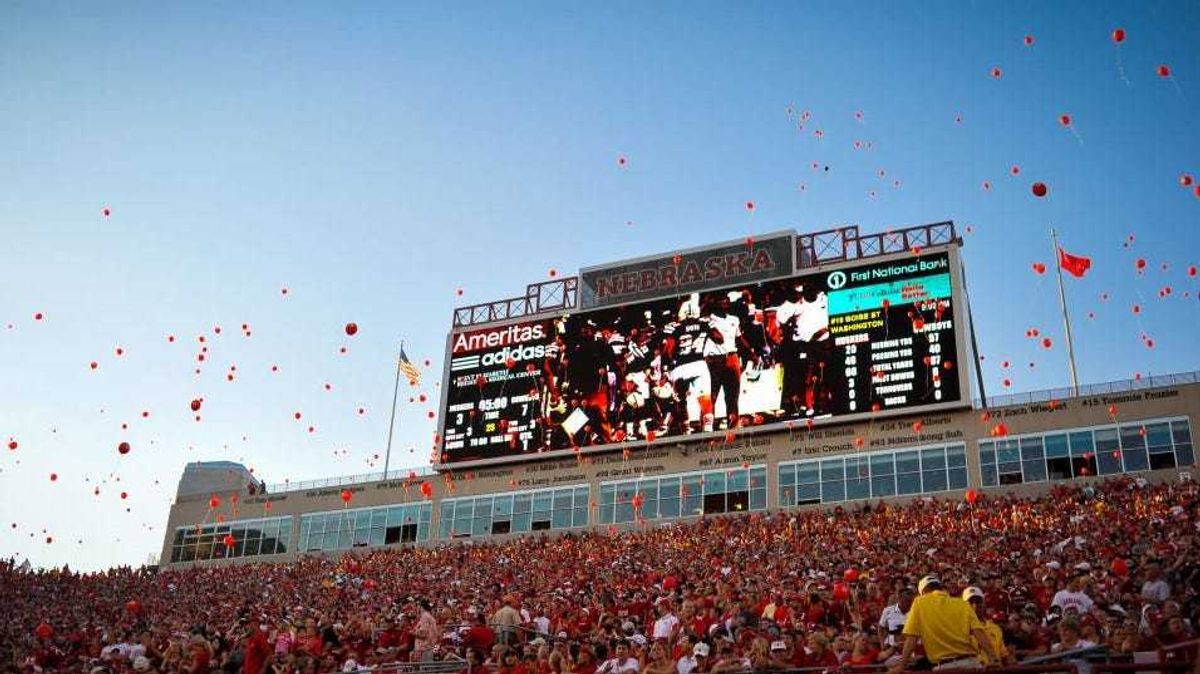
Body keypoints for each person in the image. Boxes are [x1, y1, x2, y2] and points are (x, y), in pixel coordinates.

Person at [889, 575, 997, 672]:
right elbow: (979, 634)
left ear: (923, 592)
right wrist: (993, 658)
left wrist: (901, 666)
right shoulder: (963, 604)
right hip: (971, 663)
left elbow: (911, 640)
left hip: (945, 667)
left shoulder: (919, 603)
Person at [962, 587, 1010, 666]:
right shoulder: (960, 629)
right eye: (970, 602)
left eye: (978, 602)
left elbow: (1004, 656)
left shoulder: (995, 628)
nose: (975, 606)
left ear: (983, 603)